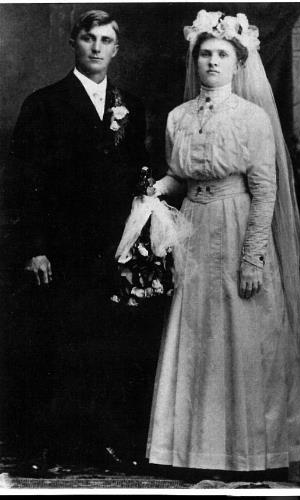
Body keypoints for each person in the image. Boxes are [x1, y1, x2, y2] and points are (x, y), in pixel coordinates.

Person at [146, 10, 300, 482]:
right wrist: (153, 193)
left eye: (221, 55)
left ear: (237, 64)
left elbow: (265, 189)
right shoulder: (177, 117)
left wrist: (253, 255)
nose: (212, 62)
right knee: (196, 334)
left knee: (243, 335)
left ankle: (250, 453)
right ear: (195, 63)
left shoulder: (251, 118)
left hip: (238, 228)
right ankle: (196, 452)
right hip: (193, 228)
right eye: (205, 54)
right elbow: (182, 174)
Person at [5, 10, 152, 469]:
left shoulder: (133, 105)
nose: (95, 47)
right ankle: (39, 448)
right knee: (53, 344)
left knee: (105, 344)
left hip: (111, 247)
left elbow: (136, 178)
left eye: (105, 40)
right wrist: (34, 247)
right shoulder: (44, 103)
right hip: (60, 247)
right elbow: (21, 182)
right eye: (88, 38)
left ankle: (97, 444)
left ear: (115, 49)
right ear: (74, 42)